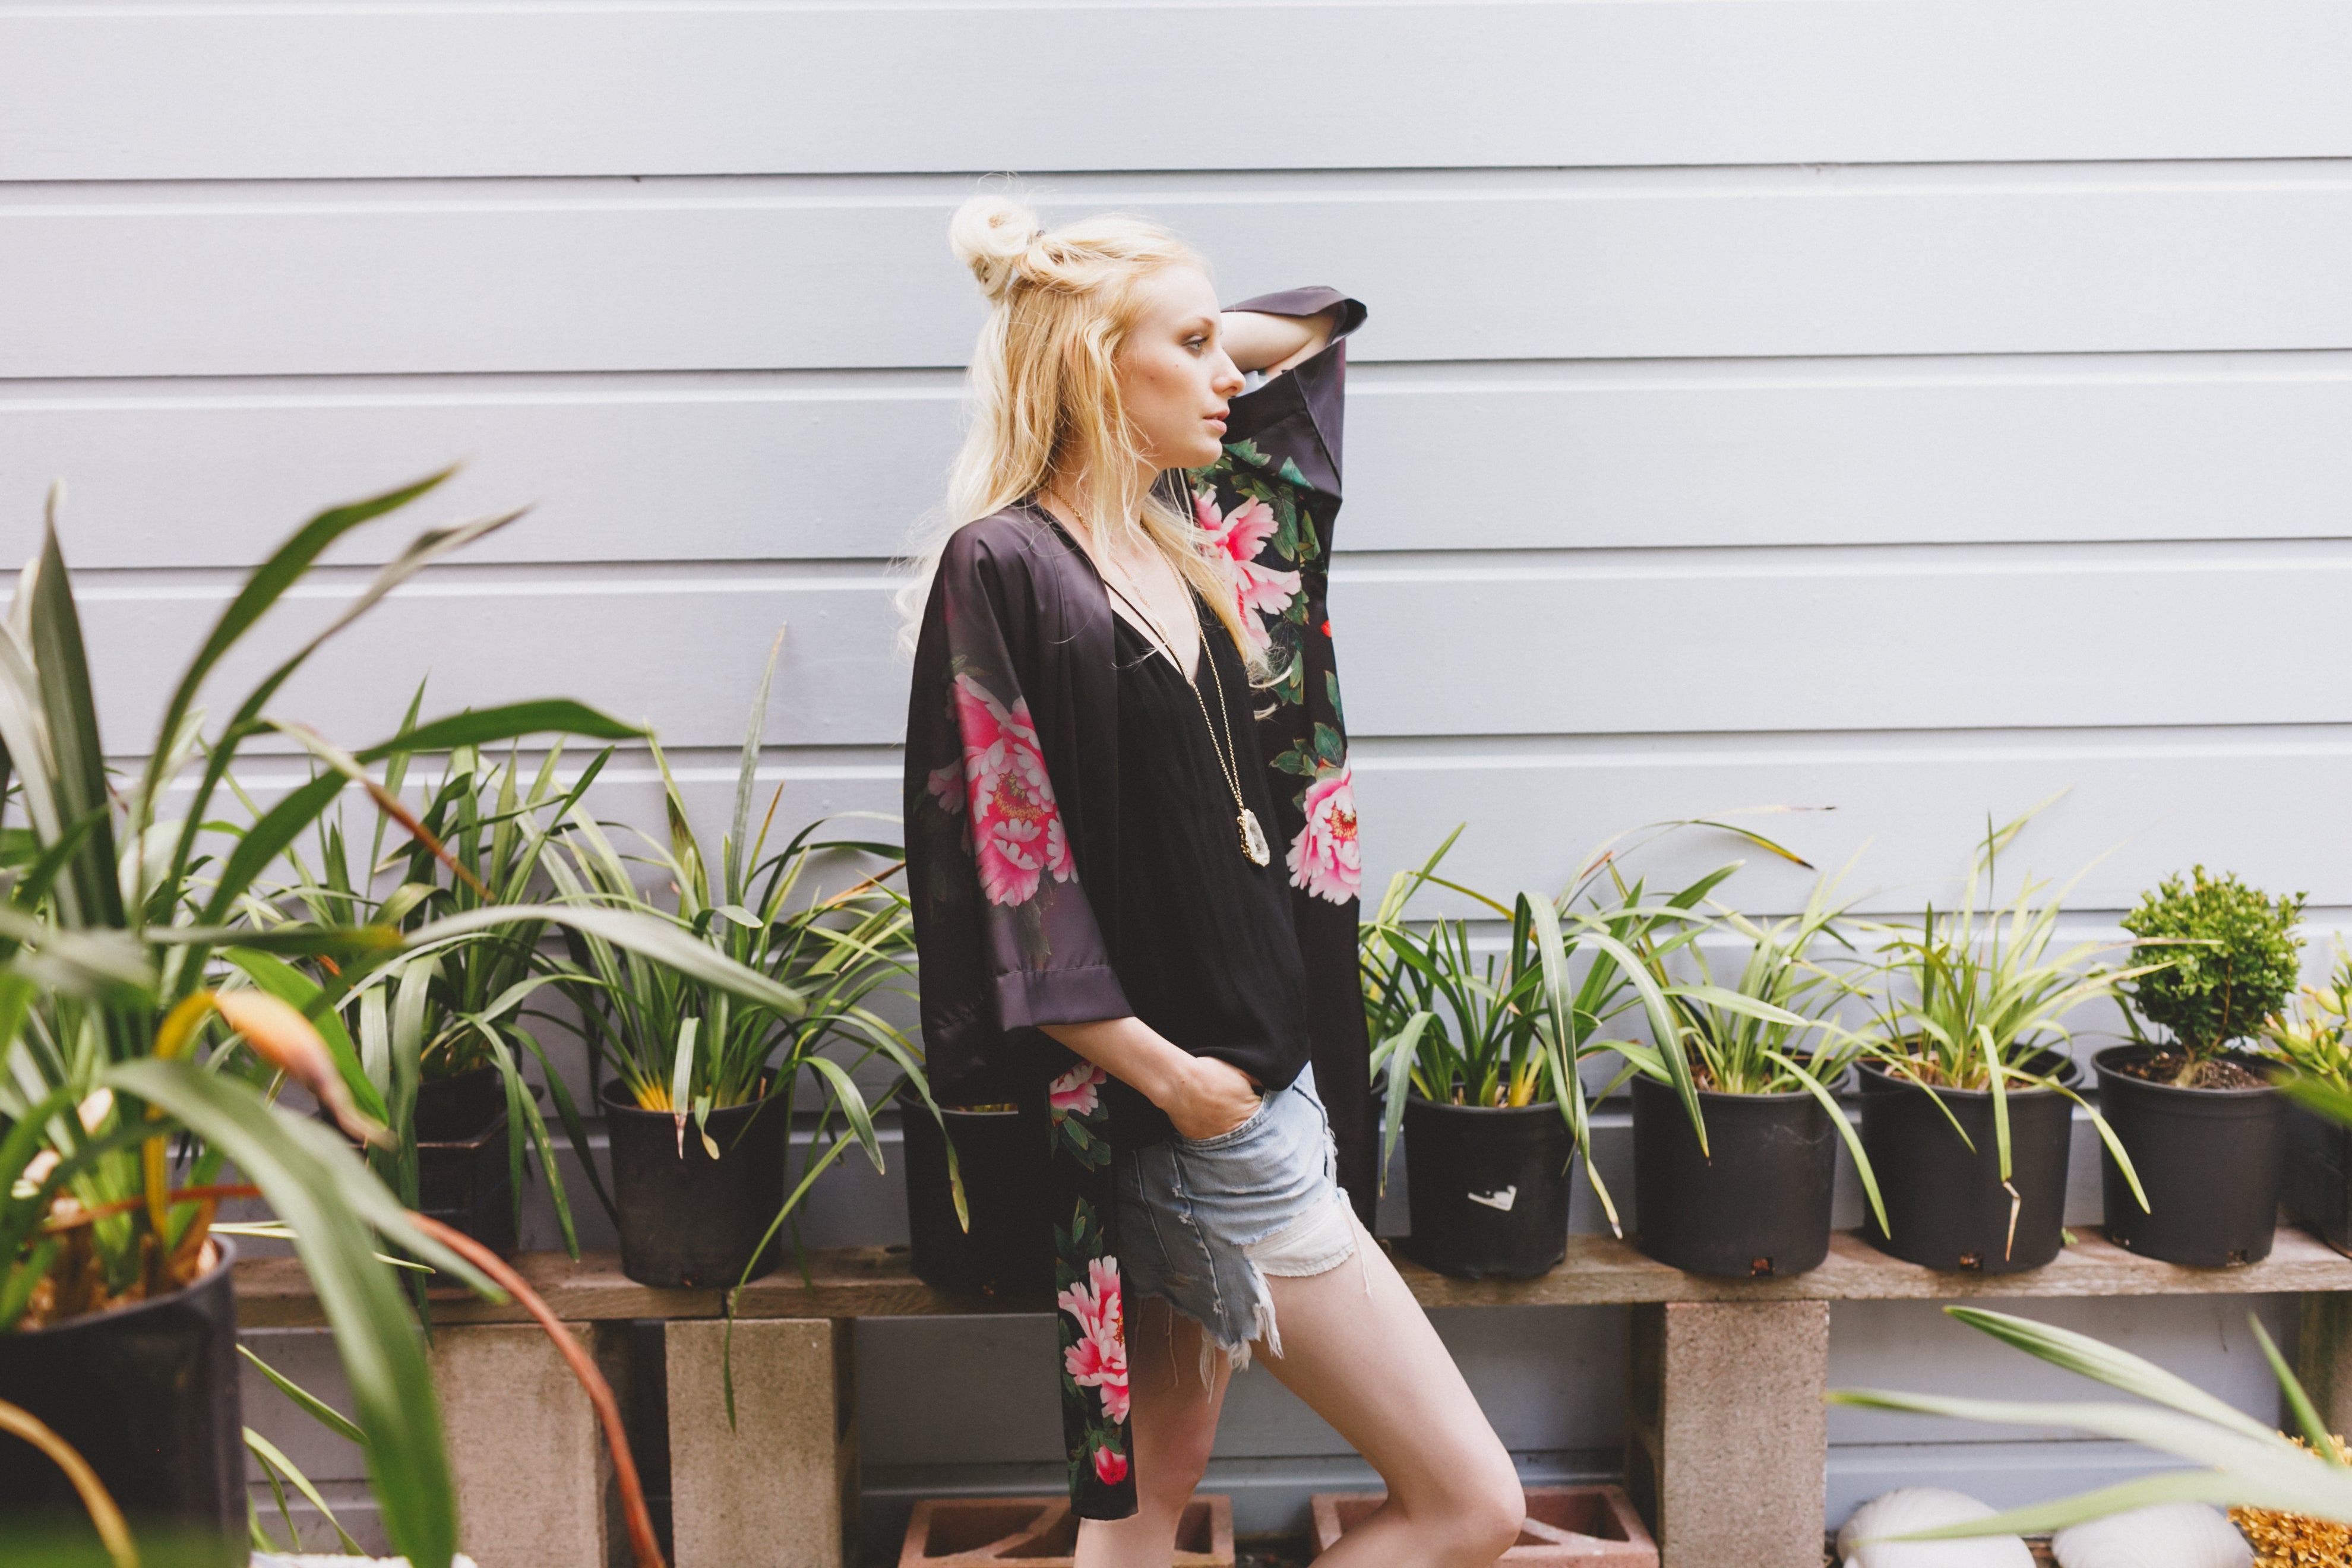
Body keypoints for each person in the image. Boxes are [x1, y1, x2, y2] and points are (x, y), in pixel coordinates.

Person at [902, 192, 1525, 1568]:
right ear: (1088, 369)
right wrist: (1170, 1079)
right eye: (1190, 345)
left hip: (1253, 1072)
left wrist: (1157, 319)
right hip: (1202, 1118)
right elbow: (1010, 869)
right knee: (1474, 1505)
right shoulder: (1006, 565)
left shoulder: (1184, 537)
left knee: (1149, 1499)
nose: (1230, 374)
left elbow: (1303, 341)